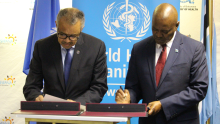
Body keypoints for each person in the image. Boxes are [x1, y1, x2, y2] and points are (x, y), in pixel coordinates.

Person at [115, 3, 208, 124]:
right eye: (154, 29)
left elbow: (199, 89)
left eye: (164, 31)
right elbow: (134, 87)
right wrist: (128, 98)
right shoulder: (139, 49)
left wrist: (163, 104)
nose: (158, 35)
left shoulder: (194, 48)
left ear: (176, 26)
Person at [23, 8, 108, 106]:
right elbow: (31, 86)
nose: (67, 41)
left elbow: (99, 86)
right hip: (49, 114)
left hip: (81, 115)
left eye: (73, 36)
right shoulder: (42, 47)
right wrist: (36, 97)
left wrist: (78, 103)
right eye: (62, 35)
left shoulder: (96, 47)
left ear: (81, 28)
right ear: (56, 25)